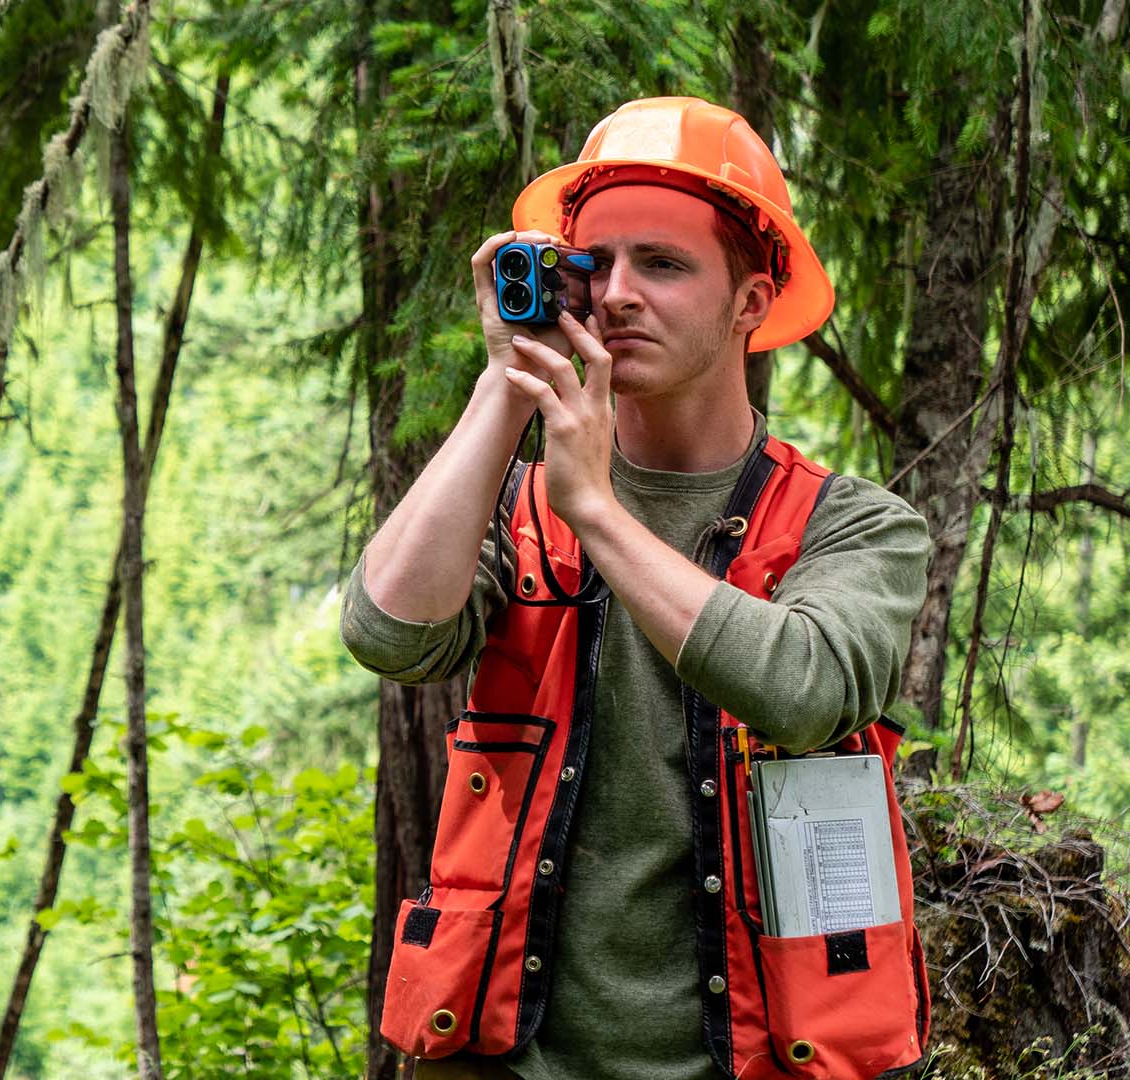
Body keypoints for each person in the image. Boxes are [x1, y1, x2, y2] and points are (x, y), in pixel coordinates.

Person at [340, 97, 934, 1080]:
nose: (616, 294)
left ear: (751, 301)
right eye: (592, 266)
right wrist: (506, 382)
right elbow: (389, 631)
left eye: (661, 264)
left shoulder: (855, 524)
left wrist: (600, 512)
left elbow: (808, 688)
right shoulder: (516, 510)